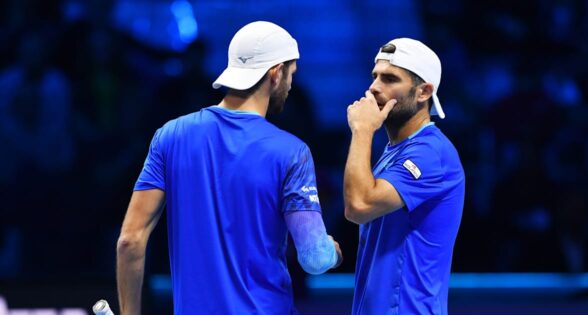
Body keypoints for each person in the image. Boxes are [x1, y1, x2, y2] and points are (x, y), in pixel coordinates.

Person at [116, 21, 343, 315]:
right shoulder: (291, 152)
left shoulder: (170, 136)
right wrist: (332, 252)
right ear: (275, 73)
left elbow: (130, 242)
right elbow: (314, 257)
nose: (290, 87)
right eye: (291, 75)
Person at [344, 38, 465, 315]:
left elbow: (359, 206)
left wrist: (362, 131)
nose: (374, 87)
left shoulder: (431, 153)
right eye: (374, 76)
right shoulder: (397, 151)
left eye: (389, 79)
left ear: (423, 92)